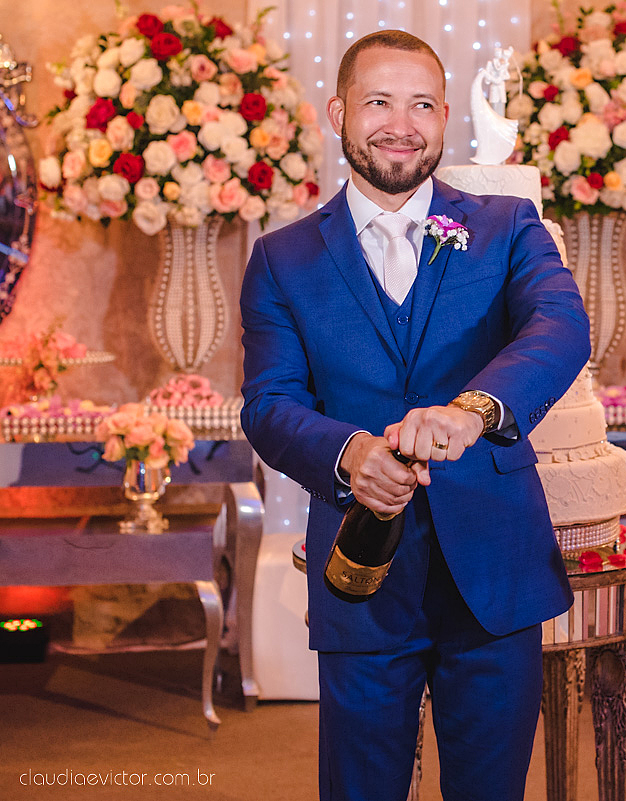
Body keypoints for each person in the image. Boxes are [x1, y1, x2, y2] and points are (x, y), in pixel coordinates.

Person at [240, 30, 590, 801]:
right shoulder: (282, 257)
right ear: (337, 112)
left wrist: (476, 408)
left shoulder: (507, 225)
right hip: (361, 574)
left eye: (422, 104)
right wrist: (350, 453)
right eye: (378, 102)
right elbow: (268, 404)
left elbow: (560, 327)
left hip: (494, 570)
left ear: (444, 118)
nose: (401, 123)